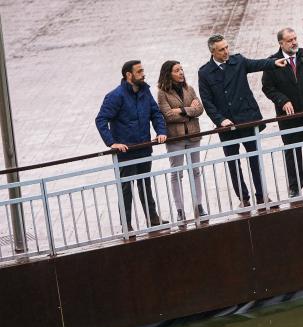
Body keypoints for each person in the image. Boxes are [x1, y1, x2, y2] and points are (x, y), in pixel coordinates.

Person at [198, 34, 287, 207]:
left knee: (255, 158)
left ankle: (262, 196)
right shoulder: (205, 72)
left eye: (227, 47)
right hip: (227, 126)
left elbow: (256, 64)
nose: (226, 52)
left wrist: (274, 63)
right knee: (233, 163)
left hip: (247, 119)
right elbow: (207, 101)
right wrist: (220, 120)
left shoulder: (237, 61)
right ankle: (244, 199)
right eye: (221, 49)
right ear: (213, 51)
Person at [95, 60, 168, 229]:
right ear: (129, 75)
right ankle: (126, 224)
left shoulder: (145, 91)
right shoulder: (116, 95)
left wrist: (161, 131)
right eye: (139, 71)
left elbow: (155, 113)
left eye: (143, 70)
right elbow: (101, 120)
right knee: (126, 189)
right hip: (126, 152)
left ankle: (153, 218)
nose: (143, 74)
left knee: (145, 184)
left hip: (143, 148)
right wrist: (112, 143)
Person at [261, 28, 303, 197]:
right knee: (292, 151)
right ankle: (295, 186)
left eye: (295, 38)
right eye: (290, 40)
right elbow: (268, 88)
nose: (294, 43)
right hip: (289, 118)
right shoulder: (272, 63)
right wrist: (282, 100)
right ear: (281, 43)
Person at [157, 60, 207, 222]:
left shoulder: (189, 89)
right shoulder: (162, 93)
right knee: (176, 174)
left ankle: (199, 206)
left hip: (193, 136)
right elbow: (167, 115)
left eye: (182, 69)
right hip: (175, 139)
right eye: (177, 70)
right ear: (168, 74)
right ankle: (180, 210)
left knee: (196, 171)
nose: (181, 73)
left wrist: (182, 110)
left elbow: (200, 109)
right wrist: (189, 111)